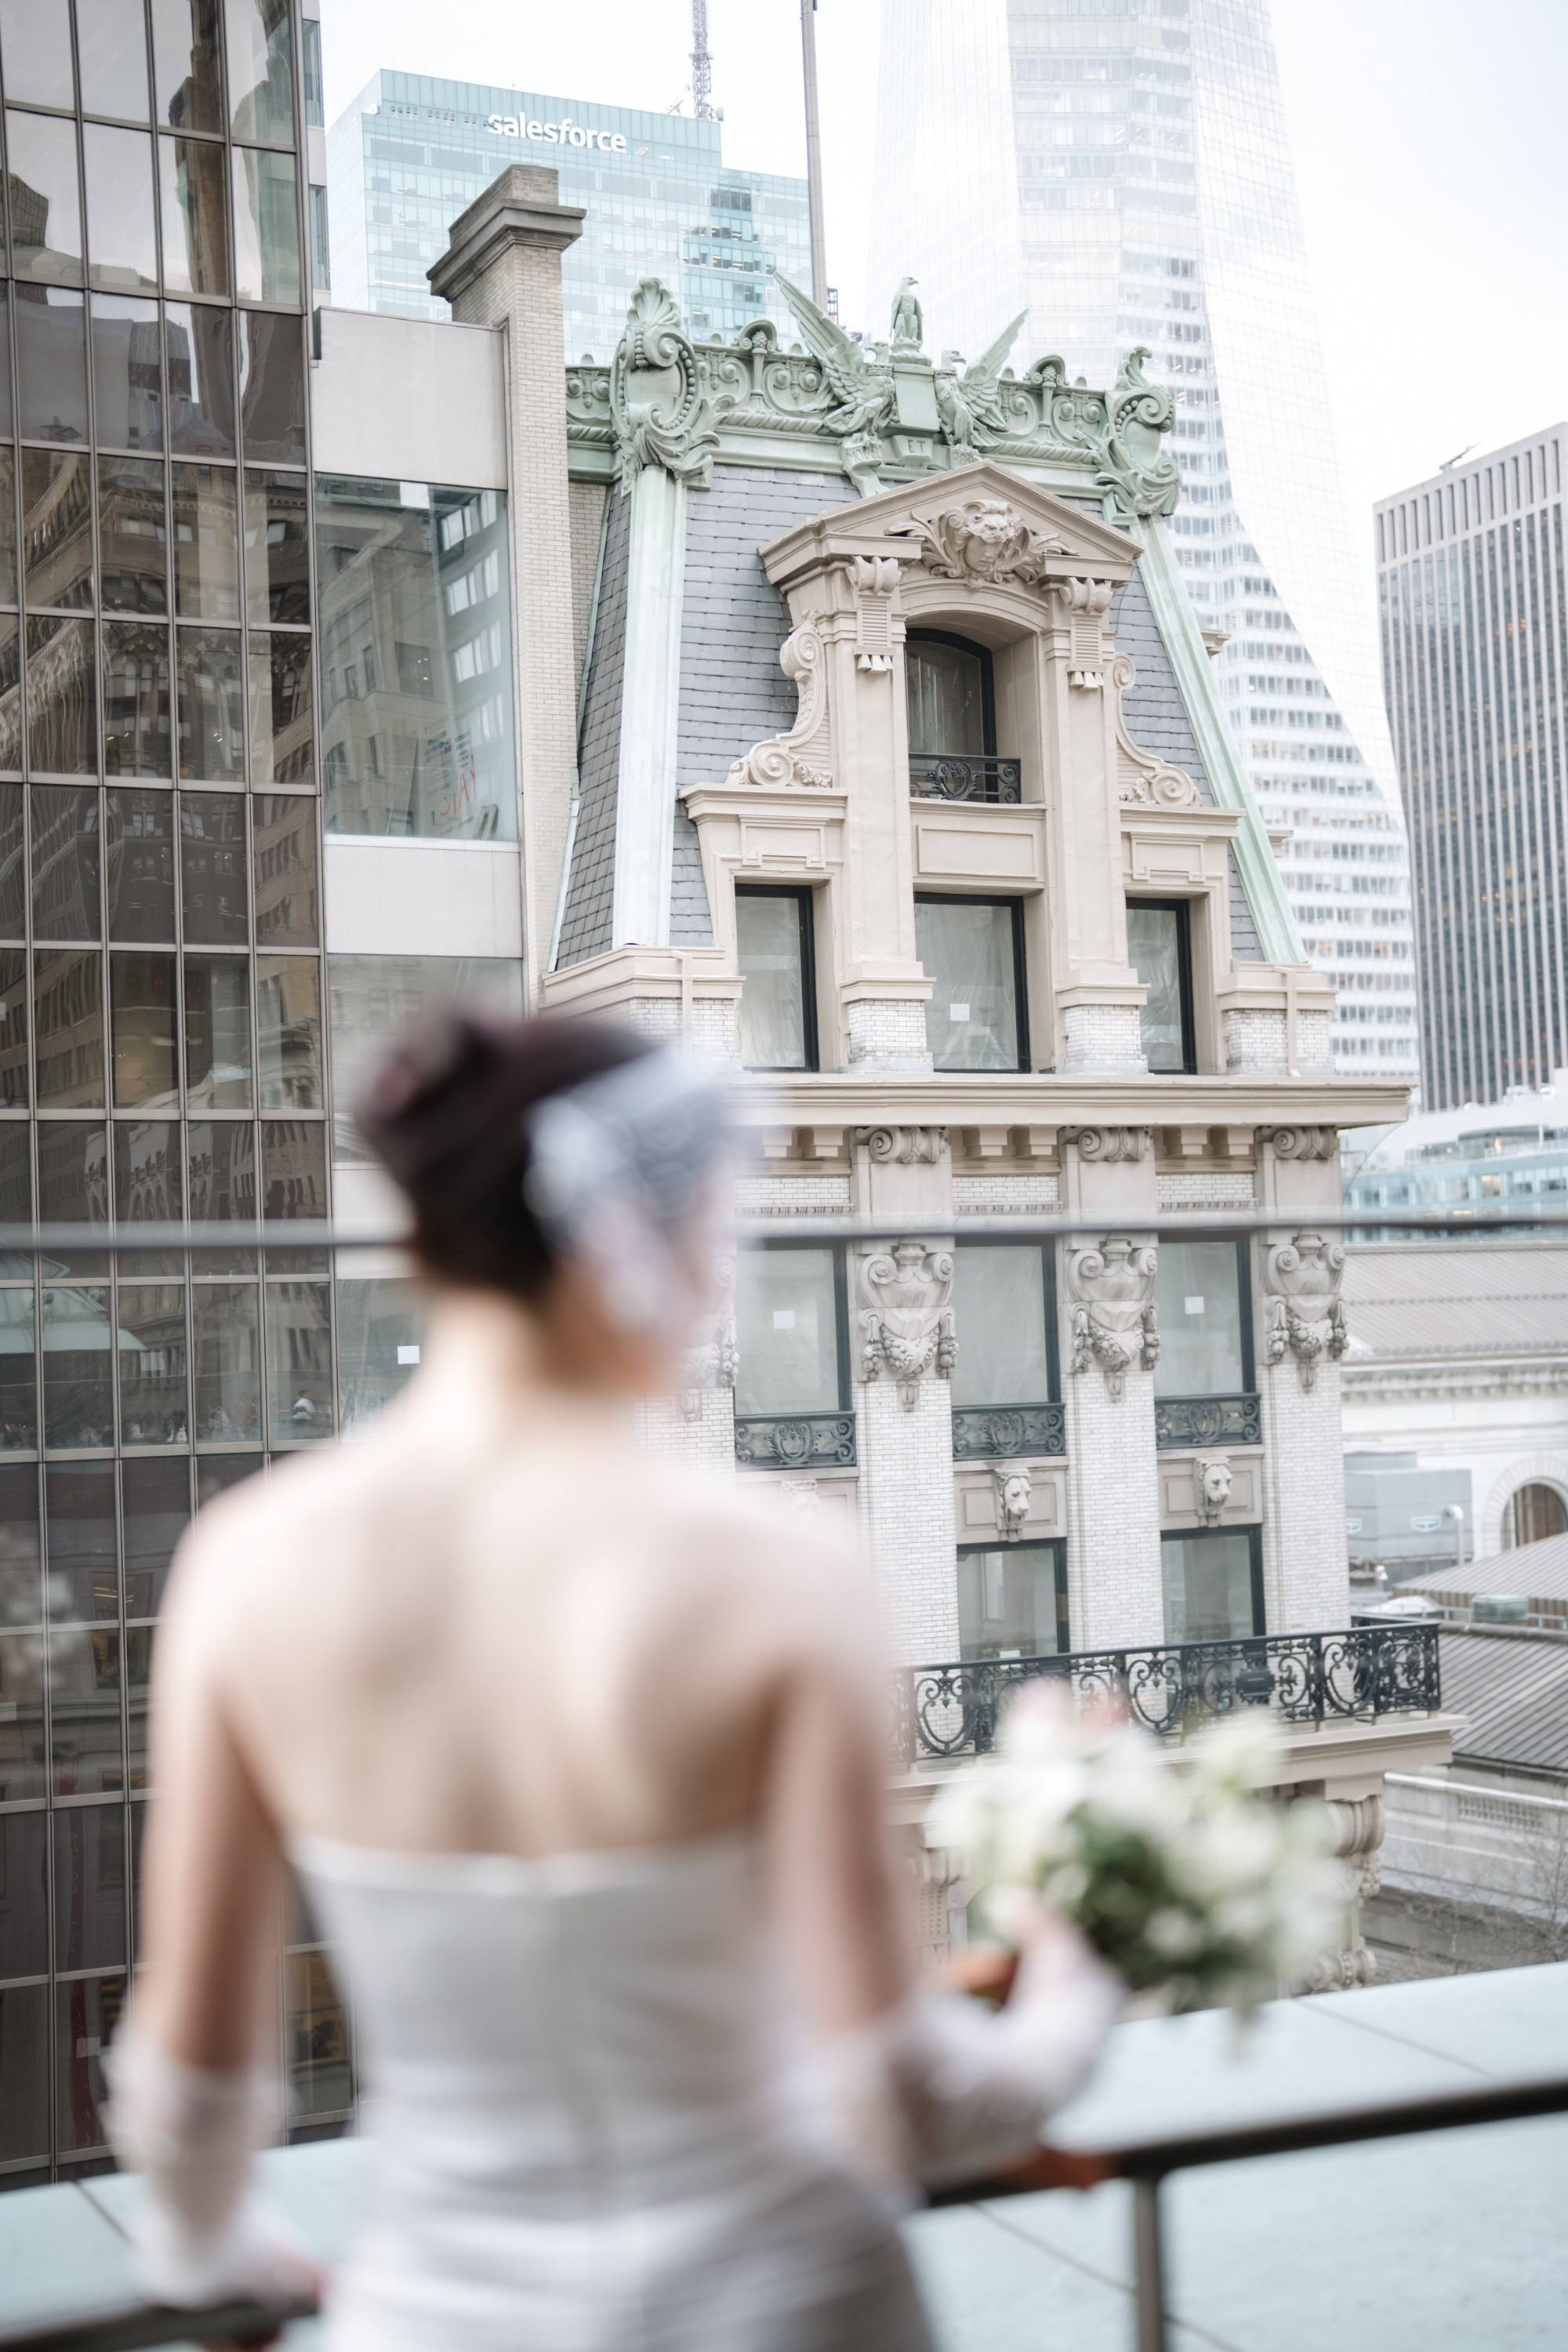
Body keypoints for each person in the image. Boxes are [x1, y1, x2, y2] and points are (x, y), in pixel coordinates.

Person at [109, 1014, 1120, 2352]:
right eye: (706, 1223)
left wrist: (213, 2251)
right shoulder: (782, 1568)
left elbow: (188, 2085)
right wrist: (1073, 1975)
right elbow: (904, 2099)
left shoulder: (245, 1564)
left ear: (422, 1247)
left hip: (435, 2316)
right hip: (790, 2303)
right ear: (621, 1237)